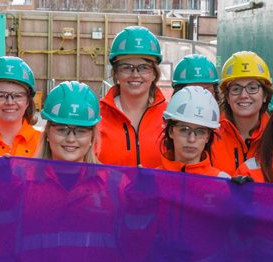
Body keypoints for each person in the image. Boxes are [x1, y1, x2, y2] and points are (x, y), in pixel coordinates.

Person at [97, 26, 168, 167]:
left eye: (144, 67)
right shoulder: (96, 116)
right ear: (116, 73)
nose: (135, 74)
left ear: (154, 73)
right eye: (126, 67)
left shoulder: (171, 117)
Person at [212, 51, 273, 173]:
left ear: (265, 95)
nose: (244, 95)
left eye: (252, 88)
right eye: (236, 89)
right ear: (228, 97)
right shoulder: (210, 135)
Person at [156, 86, 229, 177]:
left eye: (200, 131)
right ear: (171, 131)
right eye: (184, 129)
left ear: (208, 137)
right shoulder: (152, 179)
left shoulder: (222, 182)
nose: (191, 139)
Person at [0, 56, 41, 157]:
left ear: (27, 102)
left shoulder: (43, 143)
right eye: (1, 96)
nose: (10, 102)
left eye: (18, 96)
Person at [35, 81, 102, 163]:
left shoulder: (105, 176)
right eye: (62, 129)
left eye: (81, 131)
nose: (71, 139)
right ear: (47, 132)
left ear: (92, 137)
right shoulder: (26, 175)